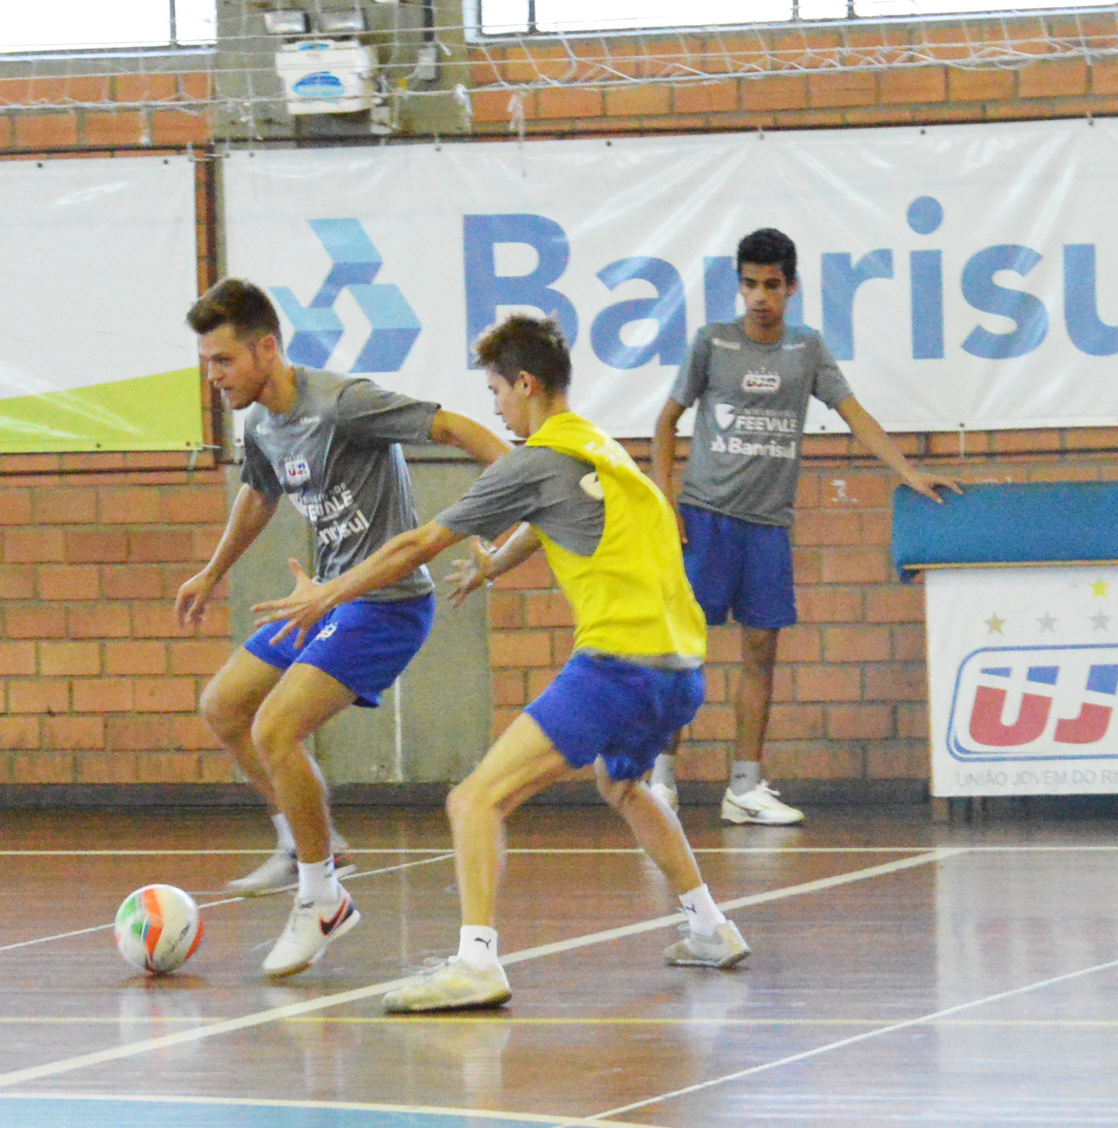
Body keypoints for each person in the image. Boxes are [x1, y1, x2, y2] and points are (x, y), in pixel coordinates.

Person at [255, 314, 749, 1012]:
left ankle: (476, 962)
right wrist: (499, 564)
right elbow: (554, 522)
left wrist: (328, 594)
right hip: (681, 672)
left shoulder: (534, 460)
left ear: (526, 383)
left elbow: (414, 546)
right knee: (625, 785)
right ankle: (710, 926)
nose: (494, 408)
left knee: (474, 799)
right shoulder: (601, 449)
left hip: (617, 667)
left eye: (496, 391)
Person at [174, 278, 509, 979]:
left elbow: (453, 427)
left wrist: (518, 487)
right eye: (207, 363)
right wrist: (211, 571)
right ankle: (303, 842)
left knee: (275, 729)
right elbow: (259, 493)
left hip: (385, 603)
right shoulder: (262, 422)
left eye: (224, 361)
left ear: (267, 348)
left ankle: (322, 898)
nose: (214, 377)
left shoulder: (343, 403)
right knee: (225, 707)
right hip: (326, 601)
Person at [648, 226, 962, 824]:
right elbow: (665, 423)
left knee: (761, 650)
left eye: (771, 285)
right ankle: (661, 780)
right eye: (749, 284)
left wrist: (907, 472)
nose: (760, 296)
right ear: (738, 286)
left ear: (791, 288)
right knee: (682, 651)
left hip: (768, 526)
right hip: (705, 519)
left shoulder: (806, 349)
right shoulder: (711, 342)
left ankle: (744, 788)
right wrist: (666, 501)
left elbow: (855, 413)